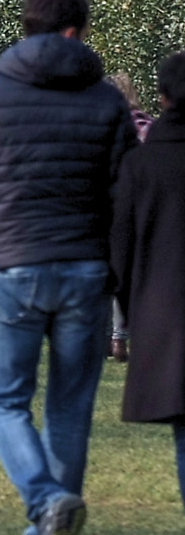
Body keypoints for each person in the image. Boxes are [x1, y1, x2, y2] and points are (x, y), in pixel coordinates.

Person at [0, 0, 137, 535]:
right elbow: (127, 196)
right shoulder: (107, 101)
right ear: (75, 31)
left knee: (6, 401)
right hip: (86, 271)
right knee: (70, 407)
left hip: (12, 267)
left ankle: (45, 504)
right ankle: (53, 511)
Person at [110, 49, 185, 515]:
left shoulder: (141, 167)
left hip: (168, 315)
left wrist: (134, 315)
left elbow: (121, 252)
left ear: (161, 98)